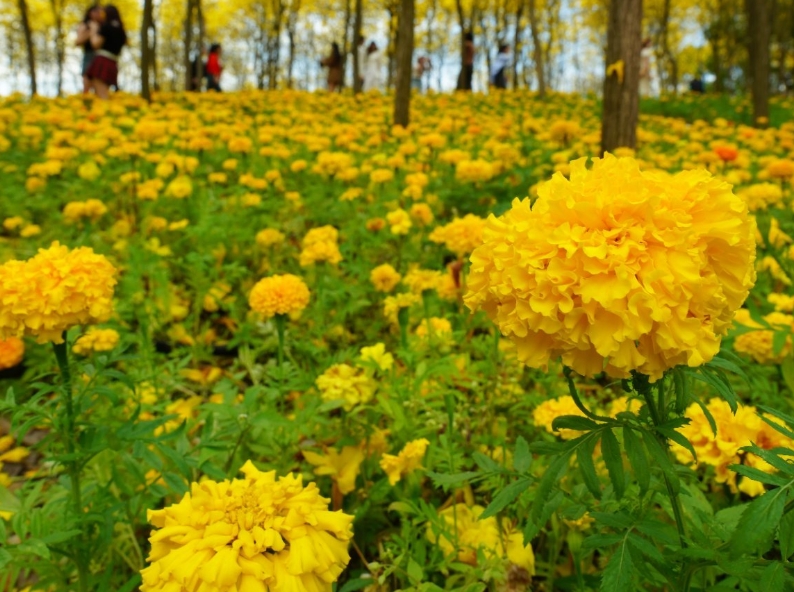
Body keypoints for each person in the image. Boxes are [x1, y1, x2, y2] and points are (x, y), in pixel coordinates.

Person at [86, 4, 126, 99]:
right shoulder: (121, 30)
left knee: (102, 94)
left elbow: (95, 44)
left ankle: (105, 112)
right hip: (113, 62)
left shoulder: (106, 27)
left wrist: (93, 30)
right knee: (104, 92)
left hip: (102, 61)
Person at [74, 5, 101, 94]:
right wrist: (91, 32)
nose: (98, 14)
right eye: (96, 11)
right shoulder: (85, 25)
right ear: (90, 13)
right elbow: (77, 42)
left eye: (99, 12)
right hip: (89, 55)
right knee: (87, 84)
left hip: (101, 56)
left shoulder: (103, 25)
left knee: (100, 85)